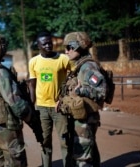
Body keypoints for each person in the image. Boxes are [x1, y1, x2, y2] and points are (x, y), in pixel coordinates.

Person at [0, 33, 42, 167]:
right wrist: (34, 123)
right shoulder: (0, 72)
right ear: (0, 49)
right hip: (7, 131)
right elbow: (17, 105)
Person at [58, 31, 106, 167]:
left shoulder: (88, 66)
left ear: (77, 47)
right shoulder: (81, 65)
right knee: (90, 152)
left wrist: (80, 90)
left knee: (82, 158)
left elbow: (101, 90)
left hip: (86, 119)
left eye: (69, 47)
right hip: (83, 116)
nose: (66, 51)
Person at [28, 31, 72, 167]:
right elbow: (32, 85)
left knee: (65, 141)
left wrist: (65, 98)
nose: (48, 45)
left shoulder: (63, 59)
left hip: (59, 107)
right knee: (44, 142)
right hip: (41, 108)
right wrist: (31, 105)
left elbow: (73, 79)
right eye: (44, 43)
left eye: (50, 42)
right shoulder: (34, 62)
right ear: (38, 45)